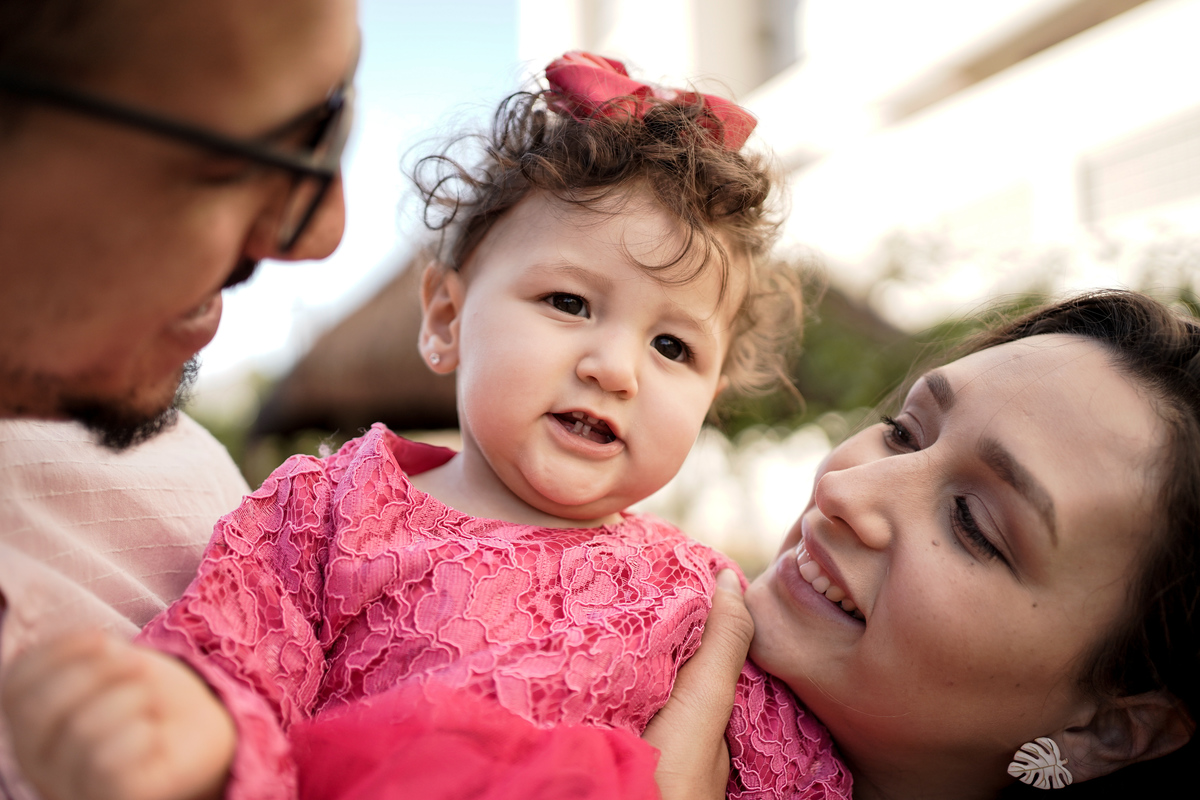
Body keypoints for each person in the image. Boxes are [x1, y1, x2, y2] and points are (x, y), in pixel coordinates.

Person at [0, 47, 765, 800]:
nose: (616, 369)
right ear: (446, 317)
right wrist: (187, 740)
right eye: (568, 303)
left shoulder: (704, 598)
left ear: (713, 393)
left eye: (673, 346)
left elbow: (782, 770)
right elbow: (236, 661)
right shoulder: (326, 509)